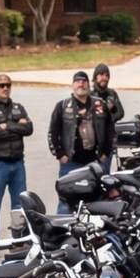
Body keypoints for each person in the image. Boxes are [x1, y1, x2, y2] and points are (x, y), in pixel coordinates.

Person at [0, 74, 35, 246]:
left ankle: (19, 240)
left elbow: (29, 128)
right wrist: (17, 127)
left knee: (20, 206)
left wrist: (8, 126)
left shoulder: (18, 107)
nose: (5, 88)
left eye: (8, 85)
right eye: (1, 85)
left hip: (18, 163)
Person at [49, 70, 115, 201]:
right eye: (77, 81)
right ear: (73, 85)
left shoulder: (100, 105)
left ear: (88, 85)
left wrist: (106, 153)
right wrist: (60, 155)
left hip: (95, 163)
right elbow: (53, 133)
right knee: (66, 202)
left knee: (97, 200)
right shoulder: (62, 106)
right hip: (70, 163)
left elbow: (110, 130)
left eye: (84, 81)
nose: (81, 84)